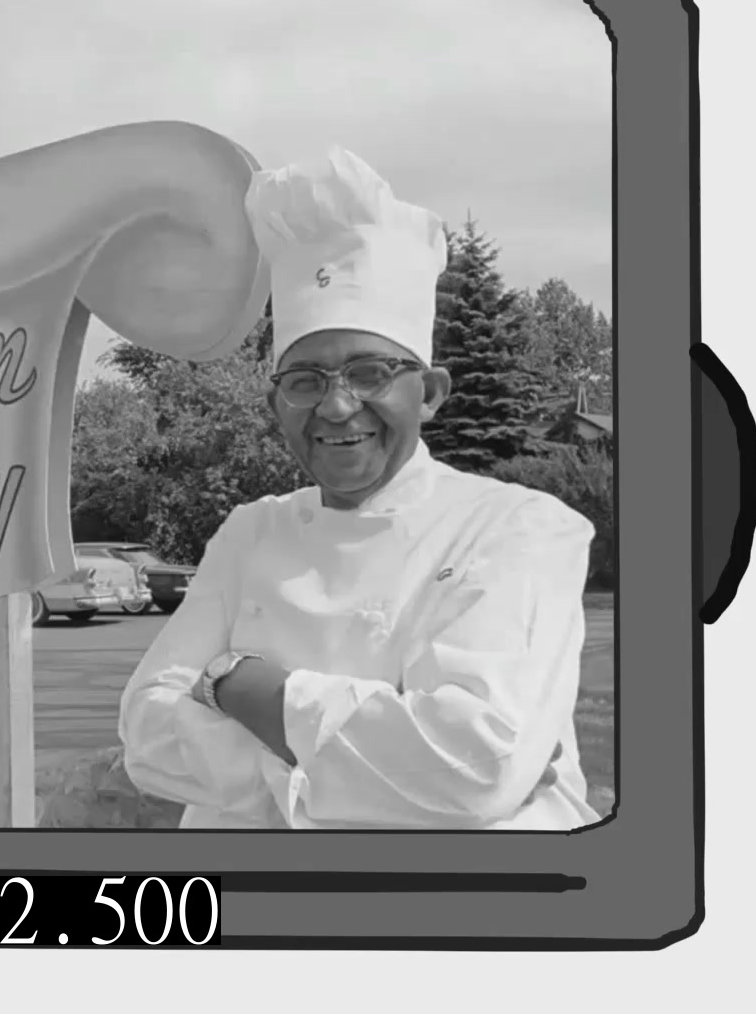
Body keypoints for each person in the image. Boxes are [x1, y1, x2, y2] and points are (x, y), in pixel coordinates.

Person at [117, 147, 601, 830]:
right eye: (305, 381)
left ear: (428, 392)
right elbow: (147, 735)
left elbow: (477, 763)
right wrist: (365, 776)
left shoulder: (521, 528)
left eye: (370, 373)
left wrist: (240, 686)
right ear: (277, 402)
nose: (338, 406)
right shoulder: (251, 531)